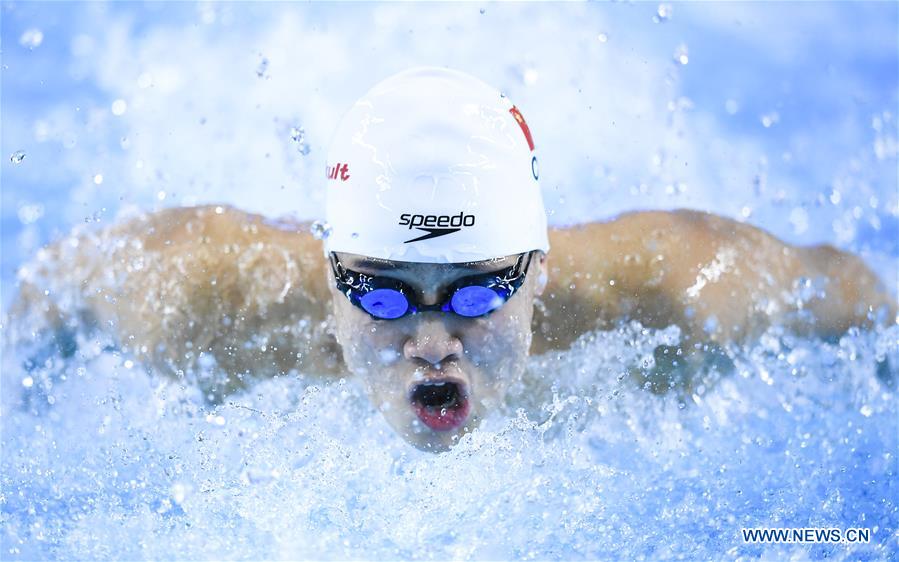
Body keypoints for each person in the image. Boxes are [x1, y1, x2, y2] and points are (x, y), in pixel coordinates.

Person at [7, 68, 895, 452]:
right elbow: (52, 280)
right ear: (330, 277)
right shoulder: (199, 302)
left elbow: (855, 294)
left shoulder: (676, 289)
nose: (433, 341)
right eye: (384, 298)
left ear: (537, 272)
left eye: (476, 292)